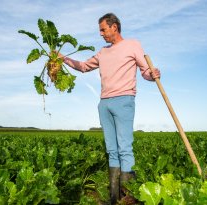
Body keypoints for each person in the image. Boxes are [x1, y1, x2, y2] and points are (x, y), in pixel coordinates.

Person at [58, 13, 160, 204]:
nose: (101, 33)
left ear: (114, 27)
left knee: (125, 149)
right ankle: (114, 199)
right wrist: (63, 59)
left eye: (103, 29)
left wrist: (152, 74)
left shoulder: (132, 45)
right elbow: (83, 67)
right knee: (112, 151)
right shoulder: (103, 52)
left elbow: (145, 71)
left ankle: (127, 198)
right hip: (104, 103)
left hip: (124, 100)